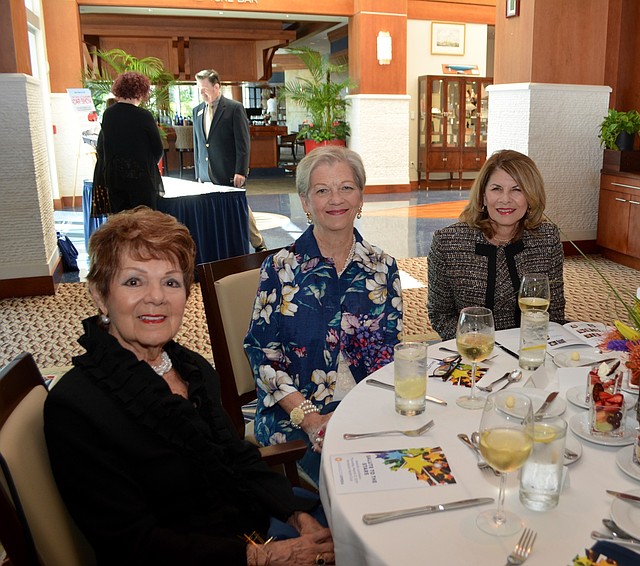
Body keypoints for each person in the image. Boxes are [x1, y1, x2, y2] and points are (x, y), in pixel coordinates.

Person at [44, 208, 335, 566]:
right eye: (134, 282)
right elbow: (131, 543)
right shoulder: (77, 407)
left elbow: (234, 455)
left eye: (171, 282)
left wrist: (294, 514)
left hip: (253, 525)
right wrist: (263, 557)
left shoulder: (190, 368)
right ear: (101, 296)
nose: (157, 297)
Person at [244, 147, 403, 486]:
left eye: (346, 187)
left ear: (360, 197)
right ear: (305, 202)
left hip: (367, 404)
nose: (336, 199)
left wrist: (369, 411)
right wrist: (310, 417)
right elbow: (262, 354)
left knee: (412, 465)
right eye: (322, 190)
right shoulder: (281, 268)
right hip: (296, 413)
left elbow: (390, 350)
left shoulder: (383, 267)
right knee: (360, 480)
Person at [427, 149, 566, 340]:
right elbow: (440, 316)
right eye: (496, 189)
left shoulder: (547, 239)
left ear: (531, 196)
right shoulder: (448, 242)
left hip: (530, 348)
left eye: (517, 190)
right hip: (474, 351)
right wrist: (480, 344)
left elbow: (554, 313)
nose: (505, 199)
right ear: (483, 196)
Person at [192, 69, 268, 252]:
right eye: (199, 89)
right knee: (212, 210)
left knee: (239, 209)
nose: (202, 92)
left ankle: (258, 244)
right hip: (206, 172)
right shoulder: (197, 111)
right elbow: (198, 143)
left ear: (216, 87)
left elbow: (243, 143)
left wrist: (241, 171)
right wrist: (198, 172)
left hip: (228, 170)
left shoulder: (234, 108)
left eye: (205, 88)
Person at [92, 71, 163, 215]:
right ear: (140, 92)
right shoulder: (144, 116)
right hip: (140, 177)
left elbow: (105, 147)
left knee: (121, 221)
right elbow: (158, 149)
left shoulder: (108, 114)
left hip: (114, 177)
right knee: (143, 221)